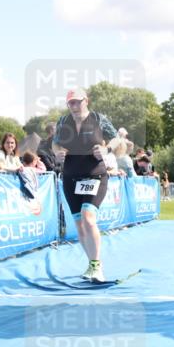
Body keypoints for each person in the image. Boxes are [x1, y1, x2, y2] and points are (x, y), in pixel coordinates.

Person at [53, 87, 118, 282]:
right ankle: (91, 264)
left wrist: (106, 149)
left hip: (94, 175)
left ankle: (97, 266)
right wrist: (57, 152)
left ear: (86, 101)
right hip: (70, 177)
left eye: (77, 101)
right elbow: (55, 143)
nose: (73, 106)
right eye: (70, 103)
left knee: (88, 217)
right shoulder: (63, 121)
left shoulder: (98, 119)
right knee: (79, 225)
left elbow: (116, 138)